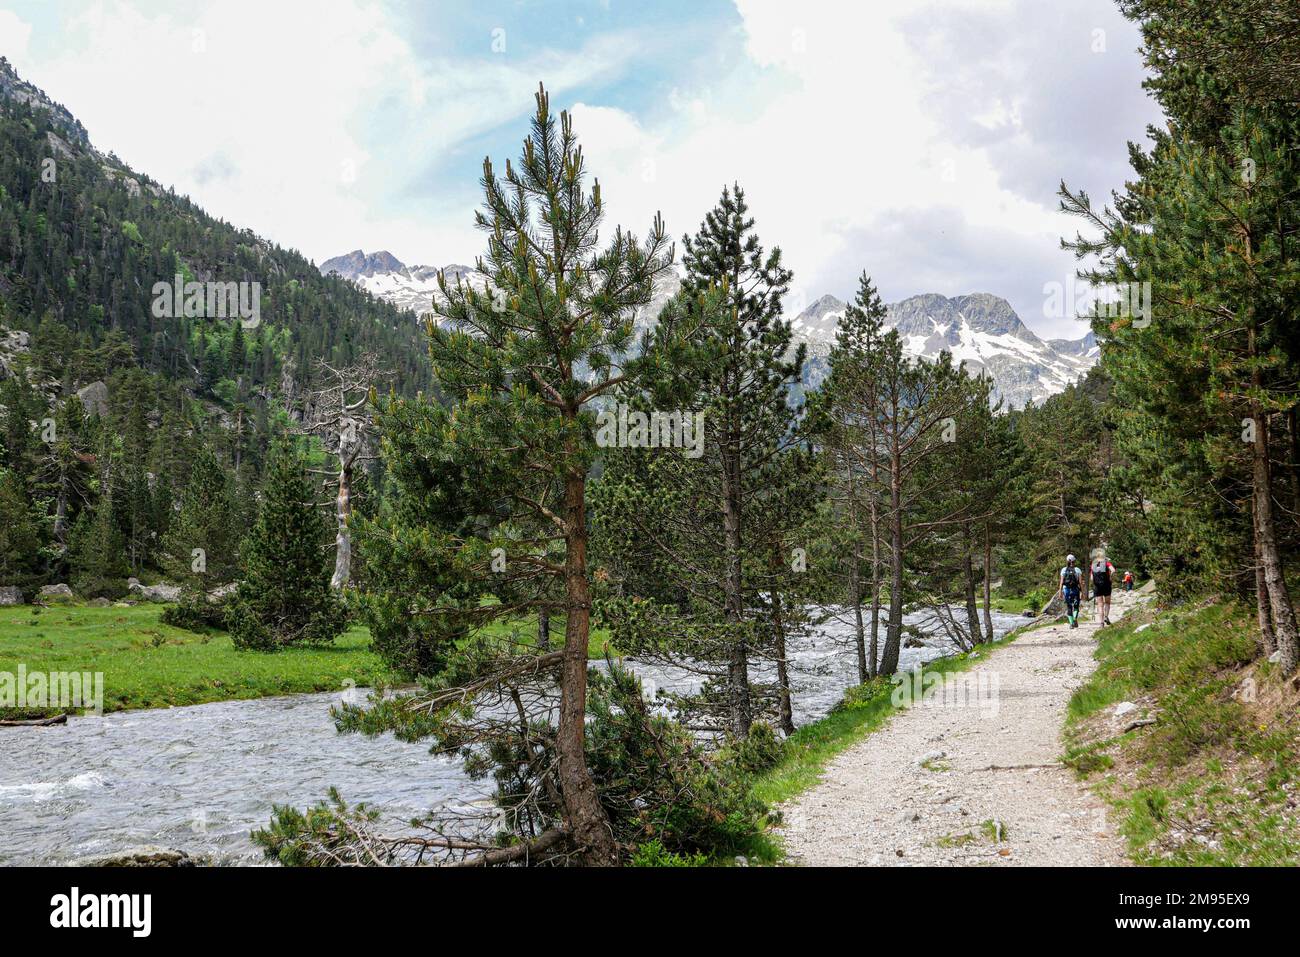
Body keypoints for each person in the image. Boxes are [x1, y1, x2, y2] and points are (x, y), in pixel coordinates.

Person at [1092, 552, 1116, 626]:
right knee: (1107, 602)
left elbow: (1091, 578)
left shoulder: (1093, 565)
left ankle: (1101, 622)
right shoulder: (1107, 563)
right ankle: (1106, 616)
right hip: (1106, 585)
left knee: (1100, 604)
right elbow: (1113, 570)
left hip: (1097, 587)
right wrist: (1110, 577)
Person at [1059, 554, 1083, 628]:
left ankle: (1071, 623)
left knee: (1069, 606)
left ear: (1067, 561)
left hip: (1066, 590)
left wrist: (1060, 592)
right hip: (1075, 589)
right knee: (1076, 606)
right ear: (1074, 561)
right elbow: (1080, 582)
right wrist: (1082, 592)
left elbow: (1061, 582)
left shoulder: (1063, 570)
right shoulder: (1077, 570)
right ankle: (1075, 619)